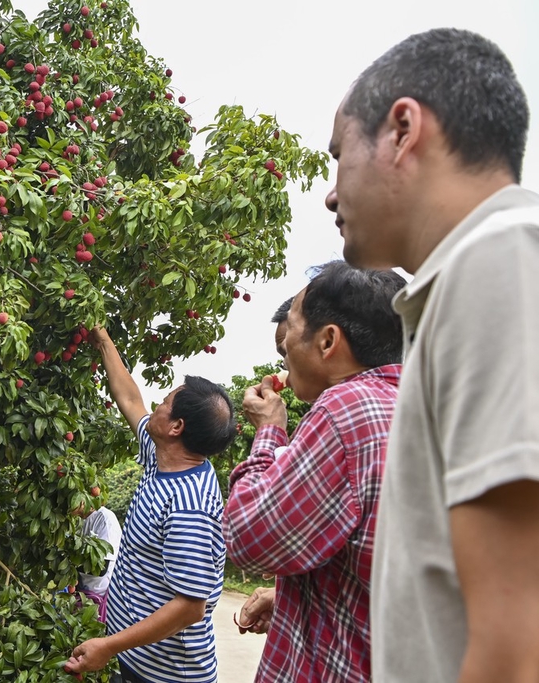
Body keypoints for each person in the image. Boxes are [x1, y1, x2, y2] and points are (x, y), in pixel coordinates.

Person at [325, 28, 539, 682]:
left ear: (402, 128)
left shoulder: (500, 261)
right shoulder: (466, 280)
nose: (331, 194)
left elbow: (513, 646)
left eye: (338, 155)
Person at [223, 261, 405, 682]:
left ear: (327, 341)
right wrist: (289, 595)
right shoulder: (428, 405)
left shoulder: (347, 412)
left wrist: (269, 432)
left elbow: (248, 538)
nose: (285, 347)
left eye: (289, 328)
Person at [65, 326, 237, 683]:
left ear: (176, 426)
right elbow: (129, 399)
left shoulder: (190, 506)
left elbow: (189, 607)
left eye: (165, 402)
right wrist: (102, 340)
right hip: (134, 661)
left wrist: (110, 645)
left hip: (166, 675)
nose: (155, 404)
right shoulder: (162, 455)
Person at [72, 502, 122, 622]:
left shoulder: (105, 518)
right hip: (84, 594)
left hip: (100, 596)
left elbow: (101, 567)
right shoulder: (82, 522)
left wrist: (68, 564)